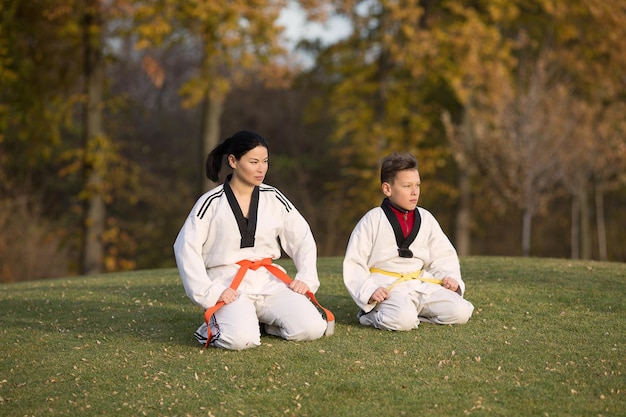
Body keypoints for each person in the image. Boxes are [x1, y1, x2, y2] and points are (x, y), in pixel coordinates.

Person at [174, 130, 329, 350]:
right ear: (233, 161)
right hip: (228, 284)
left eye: (265, 161)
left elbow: (302, 237)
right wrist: (210, 292)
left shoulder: (273, 197)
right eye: (253, 161)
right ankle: (213, 329)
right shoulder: (210, 203)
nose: (261, 169)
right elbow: (185, 248)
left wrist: (305, 277)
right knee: (241, 340)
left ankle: (265, 324)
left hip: (268, 281)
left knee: (312, 328)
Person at [343, 152, 474, 331]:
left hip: (420, 284)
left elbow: (443, 256)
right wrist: (370, 291)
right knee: (403, 321)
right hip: (387, 288)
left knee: (460, 311)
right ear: (387, 189)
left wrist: (449, 278)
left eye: (417, 185)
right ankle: (371, 315)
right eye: (407, 186)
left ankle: (412, 313)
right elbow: (354, 263)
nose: (414, 192)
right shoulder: (372, 220)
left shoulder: (426, 218)